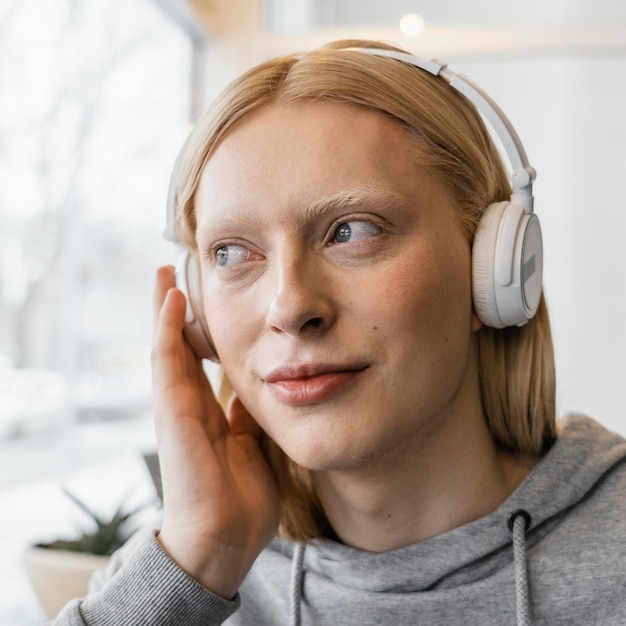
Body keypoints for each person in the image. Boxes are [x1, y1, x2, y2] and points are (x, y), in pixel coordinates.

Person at [53, 39, 626, 626]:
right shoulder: (178, 571)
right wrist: (199, 562)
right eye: (232, 252)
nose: (289, 307)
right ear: (197, 308)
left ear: (493, 268)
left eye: (352, 231)